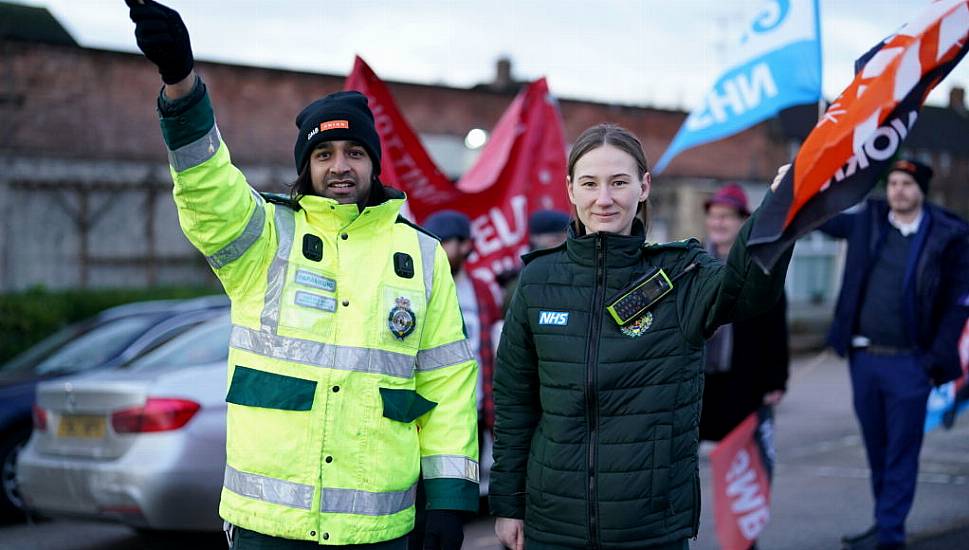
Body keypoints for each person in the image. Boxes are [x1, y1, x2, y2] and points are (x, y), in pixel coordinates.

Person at [126, 2, 479, 549]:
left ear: (373, 164)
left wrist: (451, 500)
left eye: (355, 152)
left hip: (377, 529)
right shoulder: (266, 237)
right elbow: (207, 187)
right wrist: (181, 85)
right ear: (306, 167)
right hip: (270, 528)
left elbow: (447, 384)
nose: (341, 166)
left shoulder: (423, 255)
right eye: (325, 154)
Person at [489, 123, 792, 549]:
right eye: (590, 183)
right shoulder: (538, 279)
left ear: (644, 186)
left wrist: (780, 209)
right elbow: (515, 402)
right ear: (571, 189)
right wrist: (508, 503)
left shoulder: (683, 273)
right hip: (552, 523)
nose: (604, 198)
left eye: (619, 182)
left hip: (649, 528)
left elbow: (748, 291)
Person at [817, 159, 969, 550]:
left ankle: (890, 534)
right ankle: (885, 520)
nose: (897, 190)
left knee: (902, 450)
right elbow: (822, 219)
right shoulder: (869, 221)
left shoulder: (947, 235)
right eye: (894, 182)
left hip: (911, 362)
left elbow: (957, 303)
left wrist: (933, 359)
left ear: (922, 189)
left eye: (906, 183)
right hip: (864, 359)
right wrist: (805, 185)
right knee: (877, 446)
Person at [700, 183, 789, 443]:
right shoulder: (692, 261)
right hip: (699, 379)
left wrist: (776, 380)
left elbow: (775, 327)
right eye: (714, 216)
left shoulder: (759, 265)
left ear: (743, 221)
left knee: (738, 462)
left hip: (743, 379)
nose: (718, 223)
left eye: (726, 216)